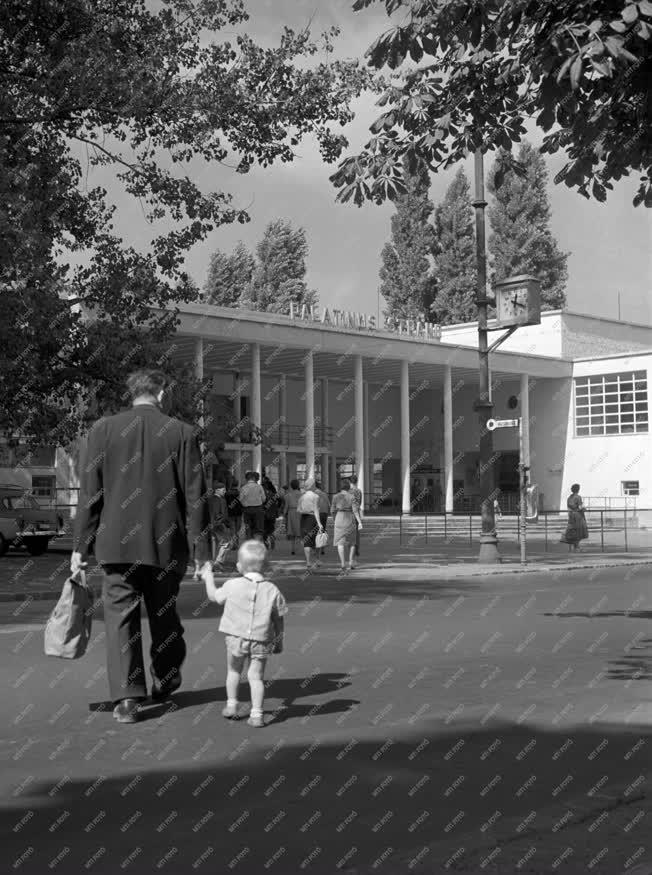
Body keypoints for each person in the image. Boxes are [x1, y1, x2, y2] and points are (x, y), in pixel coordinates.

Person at [72, 368, 213, 724]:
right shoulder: (182, 433)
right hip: (166, 545)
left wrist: (80, 546)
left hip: (115, 545)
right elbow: (196, 497)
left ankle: (126, 699)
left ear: (131, 393)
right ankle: (166, 675)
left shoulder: (102, 430)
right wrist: (203, 554)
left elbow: (90, 494)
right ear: (162, 393)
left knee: (120, 618)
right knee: (164, 614)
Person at [204, 540, 287, 728]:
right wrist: (279, 639)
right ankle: (257, 714)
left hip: (236, 638)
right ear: (265, 566)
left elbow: (214, 597)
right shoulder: (272, 590)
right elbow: (279, 618)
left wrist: (208, 576)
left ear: (239, 566)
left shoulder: (233, 585)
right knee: (256, 677)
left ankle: (232, 705)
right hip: (262, 640)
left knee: (233, 671)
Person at [331, 478, 362, 572]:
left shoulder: (335, 497)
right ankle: (351, 562)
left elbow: (332, 510)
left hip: (339, 518)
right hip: (350, 518)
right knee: (352, 542)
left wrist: (334, 519)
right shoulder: (352, 497)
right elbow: (355, 510)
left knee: (340, 542)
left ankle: (342, 563)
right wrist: (359, 522)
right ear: (348, 487)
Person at [297, 479, 324, 569]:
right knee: (317, 540)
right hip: (312, 519)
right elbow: (316, 510)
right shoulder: (315, 496)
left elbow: (298, 510)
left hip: (303, 519)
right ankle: (317, 560)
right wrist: (319, 523)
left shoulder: (302, 497)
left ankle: (308, 562)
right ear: (312, 486)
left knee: (306, 541)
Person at [210, 482, 233, 571]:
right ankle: (218, 562)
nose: (225, 491)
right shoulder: (219, 500)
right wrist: (224, 523)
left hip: (212, 524)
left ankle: (212, 563)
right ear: (217, 490)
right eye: (223, 490)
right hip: (218, 525)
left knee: (213, 543)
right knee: (226, 543)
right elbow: (218, 514)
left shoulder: (212, 499)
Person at [561, 483, 588, 551]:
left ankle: (575, 546)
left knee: (573, 531)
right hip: (578, 516)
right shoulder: (578, 497)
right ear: (578, 490)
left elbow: (569, 506)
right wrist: (584, 509)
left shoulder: (569, 497)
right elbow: (580, 507)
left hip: (571, 515)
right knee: (579, 531)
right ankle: (576, 547)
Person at [239, 471, 266, 541]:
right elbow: (264, 499)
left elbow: (240, 499)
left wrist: (245, 504)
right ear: (254, 478)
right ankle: (257, 545)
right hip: (258, 509)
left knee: (248, 528)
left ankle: (249, 544)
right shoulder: (259, 487)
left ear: (247, 479)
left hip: (247, 510)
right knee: (258, 529)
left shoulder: (244, 487)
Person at [261, 474, 281, 550]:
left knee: (264, 529)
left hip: (264, 514)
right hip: (272, 513)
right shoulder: (274, 494)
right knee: (271, 528)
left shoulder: (262, 494)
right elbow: (280, 501)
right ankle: (272, 540)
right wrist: (277, 507)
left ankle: (266, 544)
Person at [283, 478, 302, 555]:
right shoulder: (302, 494)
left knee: (292, 532)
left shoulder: (287, 495)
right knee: (299, 530)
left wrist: (284, 515)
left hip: (291, 513)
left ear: (291, 486)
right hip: (300, 512)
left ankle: (293, 549)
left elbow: (286, 507)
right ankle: (299, 547)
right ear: (298, 486)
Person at [349, 474, 363, 558]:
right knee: (357, 534)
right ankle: (356, 549)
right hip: (356, 512)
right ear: (356, 481)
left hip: (348, 513)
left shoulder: (348, 491)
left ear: (349, 481)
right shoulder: (359, 491)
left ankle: (351, 549)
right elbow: (360, 502)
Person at [226, 479, 243, 549]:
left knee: (232, 529)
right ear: (237, 484)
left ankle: (233, 544)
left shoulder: (227, 494)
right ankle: (236, 544)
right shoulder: (240, 493)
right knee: (238, 529)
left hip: (230, 513)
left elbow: (225, 503)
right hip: (239, 513)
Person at [314, 480, 330, 556]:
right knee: (323, 530)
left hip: (316, 513)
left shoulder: (314, 494)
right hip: (324, 513)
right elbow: (328, 504)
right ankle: (323, 548)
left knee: (315, 531)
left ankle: (316, 549)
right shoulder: (324, 494)